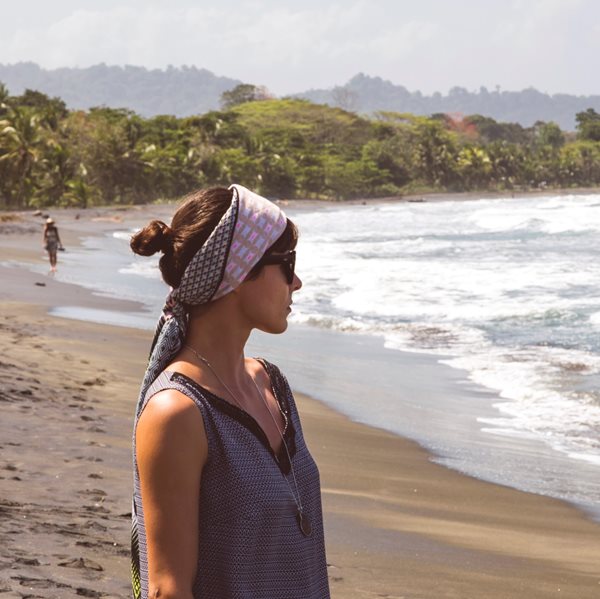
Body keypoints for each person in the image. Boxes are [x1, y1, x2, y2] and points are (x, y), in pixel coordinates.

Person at [129, 184, 330, 599]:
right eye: (286, 264)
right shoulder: (178, 413)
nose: (297, 282)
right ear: (240, 272)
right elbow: (168, 589)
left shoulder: (272, 385)